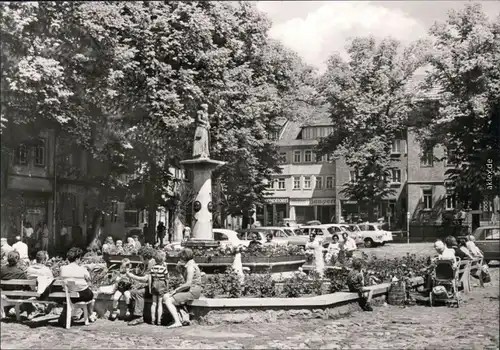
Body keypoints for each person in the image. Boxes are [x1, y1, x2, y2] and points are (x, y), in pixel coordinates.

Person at [163, 248, 203, 328]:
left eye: (180, 257)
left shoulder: (190, 267)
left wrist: (175, 290)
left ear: (184, 257)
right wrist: (180, 269)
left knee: (168, 300)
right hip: (192, 289)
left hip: (192, 291)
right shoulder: (190, 264)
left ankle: (177, 321)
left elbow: (188, 284)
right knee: (166, 296)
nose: (179, 259)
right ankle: (182, 317)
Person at [59, 247, 97, 322]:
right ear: (77, 258)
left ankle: (82, 314)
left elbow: (62, 279)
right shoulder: (82, 269)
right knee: (90, 294)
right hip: (81, 295)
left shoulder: (62, 268)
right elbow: (89, 280)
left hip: (68, 295)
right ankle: (90, 314)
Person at [149, 251, 169, 325]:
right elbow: (167, 278)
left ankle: (152, 319)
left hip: (154, 285)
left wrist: (150, 288)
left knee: (154, 303)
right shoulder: (164, 268)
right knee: (160, 303)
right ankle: (159, 320)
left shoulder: (153, 268)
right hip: (161, 285)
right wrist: (167, 287)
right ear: (163, 259)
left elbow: (150, 278)